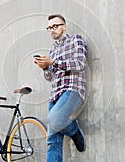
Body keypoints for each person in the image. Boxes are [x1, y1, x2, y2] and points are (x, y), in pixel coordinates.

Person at [34, 14, 87, 162]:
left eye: (55, 26)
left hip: (73, 89)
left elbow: (80, 64)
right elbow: (50, 77)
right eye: (49, 27)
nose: (52, 29)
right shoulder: (52, 52)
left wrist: (53, 62)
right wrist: (45, 68)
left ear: (64, 26)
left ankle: (74, 131)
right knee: (52, 141)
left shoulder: (76, 40)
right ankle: (73, 130)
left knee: (53, 120)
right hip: (55, 95)